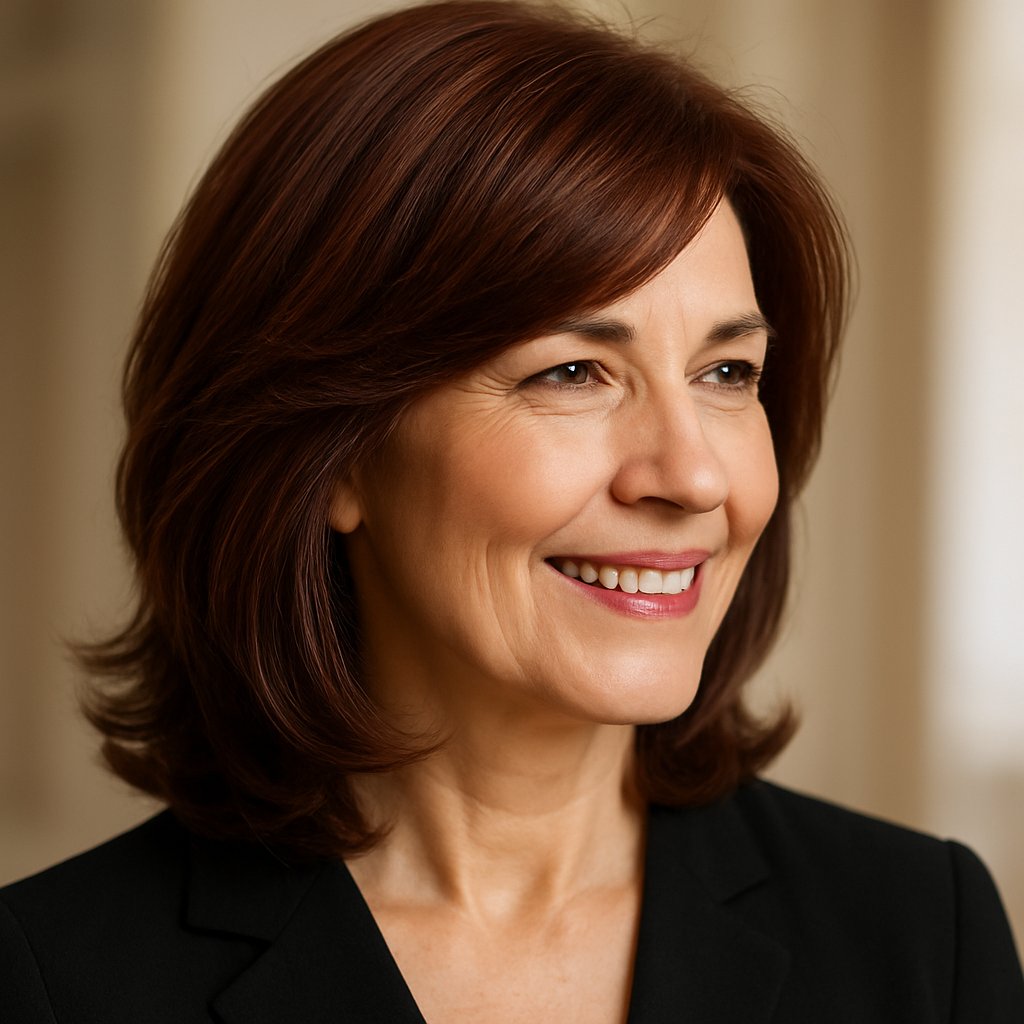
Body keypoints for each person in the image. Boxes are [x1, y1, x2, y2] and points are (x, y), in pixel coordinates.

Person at [2, 1, 1021, 1020]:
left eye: (725, 370)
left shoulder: (921, 935)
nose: (693, 476)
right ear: (332, 454)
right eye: (573, 371)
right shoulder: (54, 981)